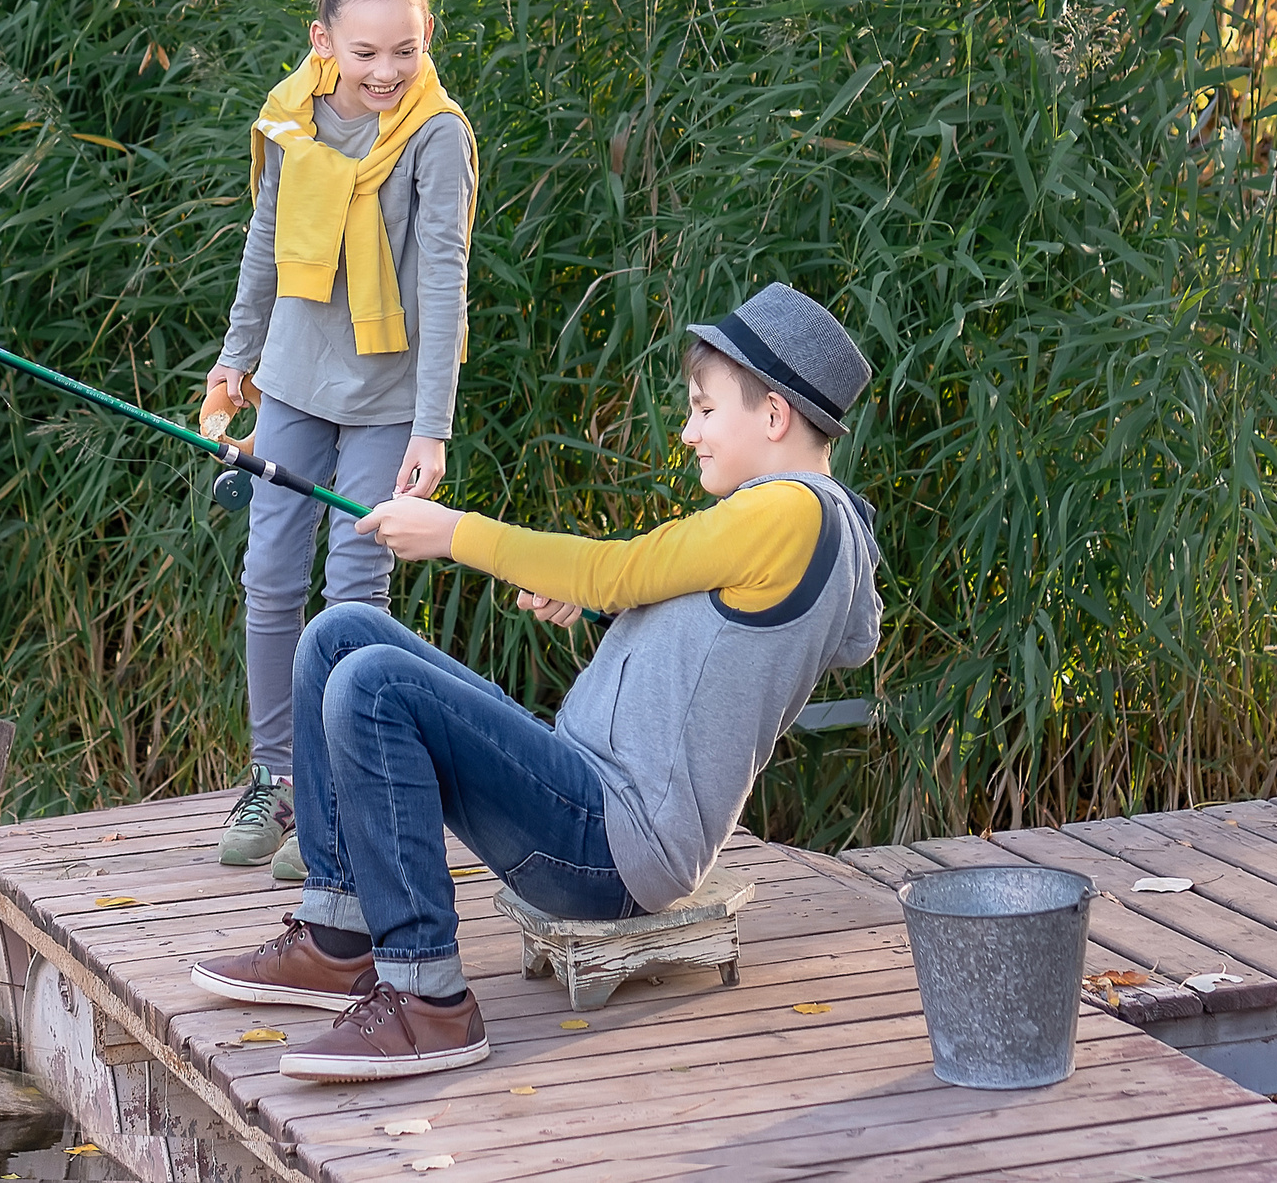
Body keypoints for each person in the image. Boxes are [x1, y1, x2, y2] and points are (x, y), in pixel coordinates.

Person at [189, 283, 883, 1083]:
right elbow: (709, 619)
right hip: (584, 796)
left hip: (616, 845)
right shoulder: (802, 524)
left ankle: (426, 1000)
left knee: (372, 684)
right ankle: (338, 937)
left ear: (775, 416)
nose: (689, 430)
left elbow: (622, 567)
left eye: (704, 409)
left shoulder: (792, 512)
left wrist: (455, 533)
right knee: (338, 635)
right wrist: (600, 603)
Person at [203, 0, 478, 878]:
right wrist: (234, 360)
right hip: (294, 378)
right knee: (271, 573)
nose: (387, 71)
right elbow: (264, 244)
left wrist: (433, 425)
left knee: (354, 590)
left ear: (427, 35)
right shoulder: (294, 116)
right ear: (324, 41)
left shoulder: (437, 134)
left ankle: (332, 794)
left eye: (406, 48)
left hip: (389, 396)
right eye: (365, 52)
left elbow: (443, 280)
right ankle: (275, 777)